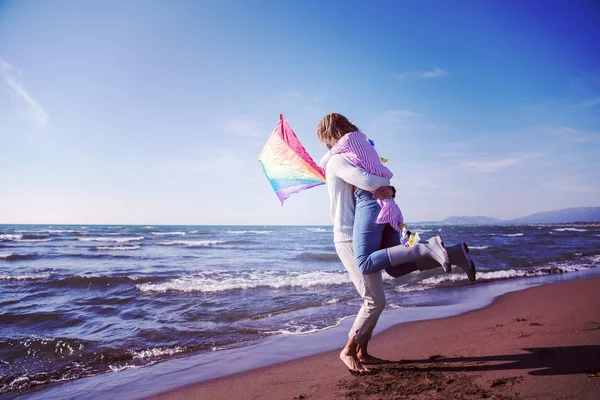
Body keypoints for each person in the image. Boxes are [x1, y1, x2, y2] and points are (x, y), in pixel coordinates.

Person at [317, 113, 476, 373]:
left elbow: (372, 183)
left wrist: (389, 189)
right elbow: (375, 183)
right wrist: (390, 189)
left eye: (326, 139)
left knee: (374, 300)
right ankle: (453, 254)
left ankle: (350, 351)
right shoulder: (341, 160)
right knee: (388, 281)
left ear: (330, 136)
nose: (329, 144)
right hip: (355, 231)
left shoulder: (338, 159)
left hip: (349, 234)